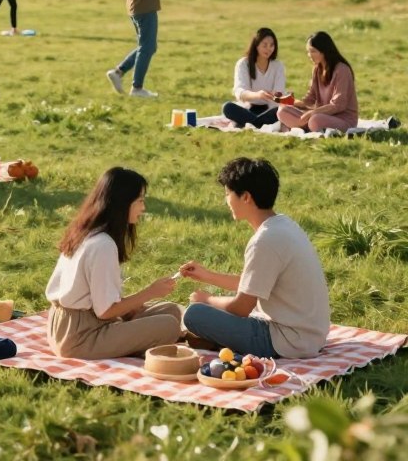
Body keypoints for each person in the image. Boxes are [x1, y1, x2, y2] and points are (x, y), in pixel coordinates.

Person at [180, 157, 330, 358]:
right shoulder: (284, 225)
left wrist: (207, 299)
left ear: (246, 197)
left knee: (195, 314)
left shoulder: (265, 240)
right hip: (311, 336)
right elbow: (254, 284)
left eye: (228, 194)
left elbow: (241, 307)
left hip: (287, 342)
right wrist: (207, 276)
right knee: (209, 312)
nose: (226, 201)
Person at [45, 167, 181, 359]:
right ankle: (136, 346)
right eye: (140, 201)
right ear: (123, 203)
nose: (143, 208)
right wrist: (150, 292)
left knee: (171, 310)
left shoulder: (86, 232)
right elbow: (106, 311)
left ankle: (135, 341)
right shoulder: (103, 245)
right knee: (168, 325)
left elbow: (99, 301)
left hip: (67, 326)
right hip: (81, 338)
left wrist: (131, 308)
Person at [276, 31, 359, 134]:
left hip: (343, 120)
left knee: (315, 120)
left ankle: (303, 127)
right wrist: (289, 101)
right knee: (282, 110)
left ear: (324, 51)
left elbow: (339, 105)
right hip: (321, 116)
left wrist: (313, 112)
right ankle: (308, 127)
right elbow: (310, 99)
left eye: (313, 51)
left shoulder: (342, 70)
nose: (309, 55)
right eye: (308, 51)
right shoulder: (317, 69)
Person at [222, 27, 287, 128]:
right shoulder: (243, 64)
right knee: (228, 107)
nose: (269, 49)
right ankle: (259, 124)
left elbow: (280, 93)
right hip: (247, 109)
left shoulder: (278, 66)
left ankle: (251, 124)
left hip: (270, 110)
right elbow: (239, 91)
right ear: (256, 45)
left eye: (271, 45)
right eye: (264, 45)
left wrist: (276, 95)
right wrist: (258, 95)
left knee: (283, 111)